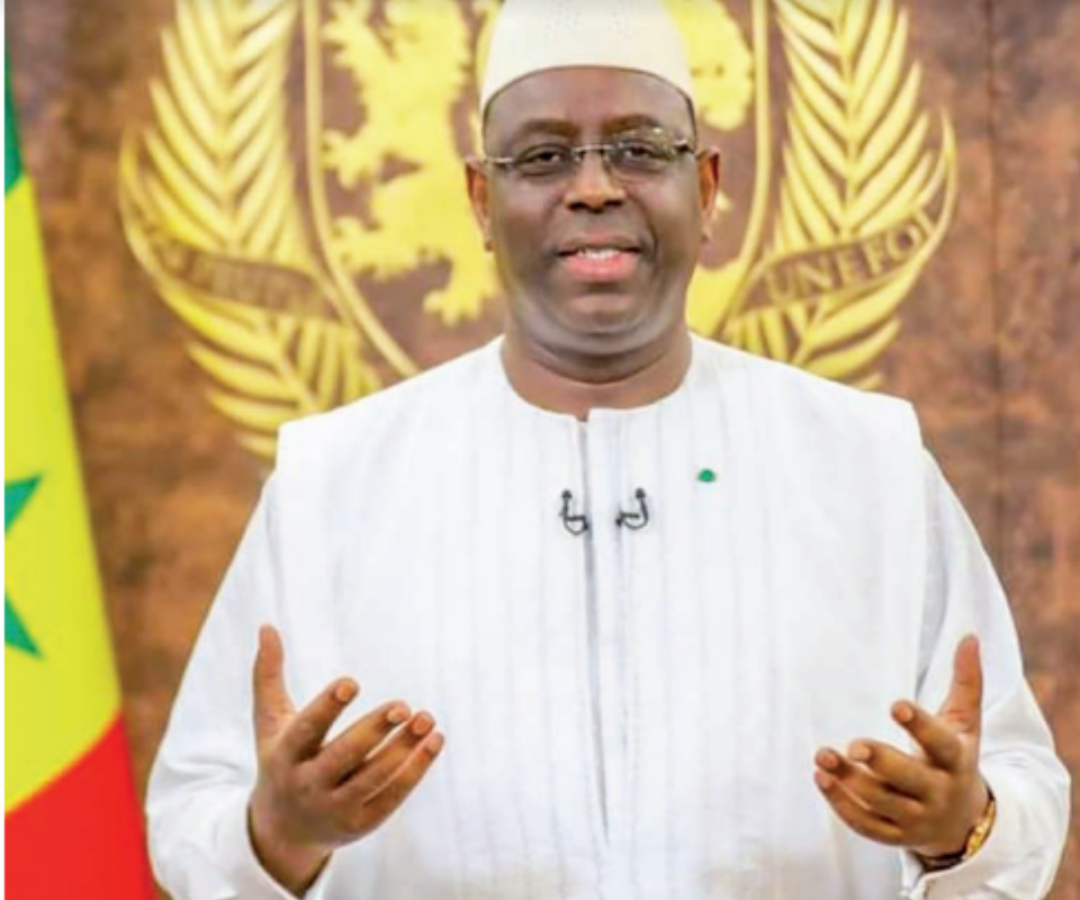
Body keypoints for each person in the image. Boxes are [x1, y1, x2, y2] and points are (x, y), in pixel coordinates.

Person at [145, 1, 1070, 898]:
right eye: (543, 156)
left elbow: (1021, 785)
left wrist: (964, 826)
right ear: (482, 200)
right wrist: (282, 834)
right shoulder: (332, 480)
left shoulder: (869, 463)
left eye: (639, 149)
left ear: (705, 188)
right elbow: (191, 819)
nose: (594, 187)